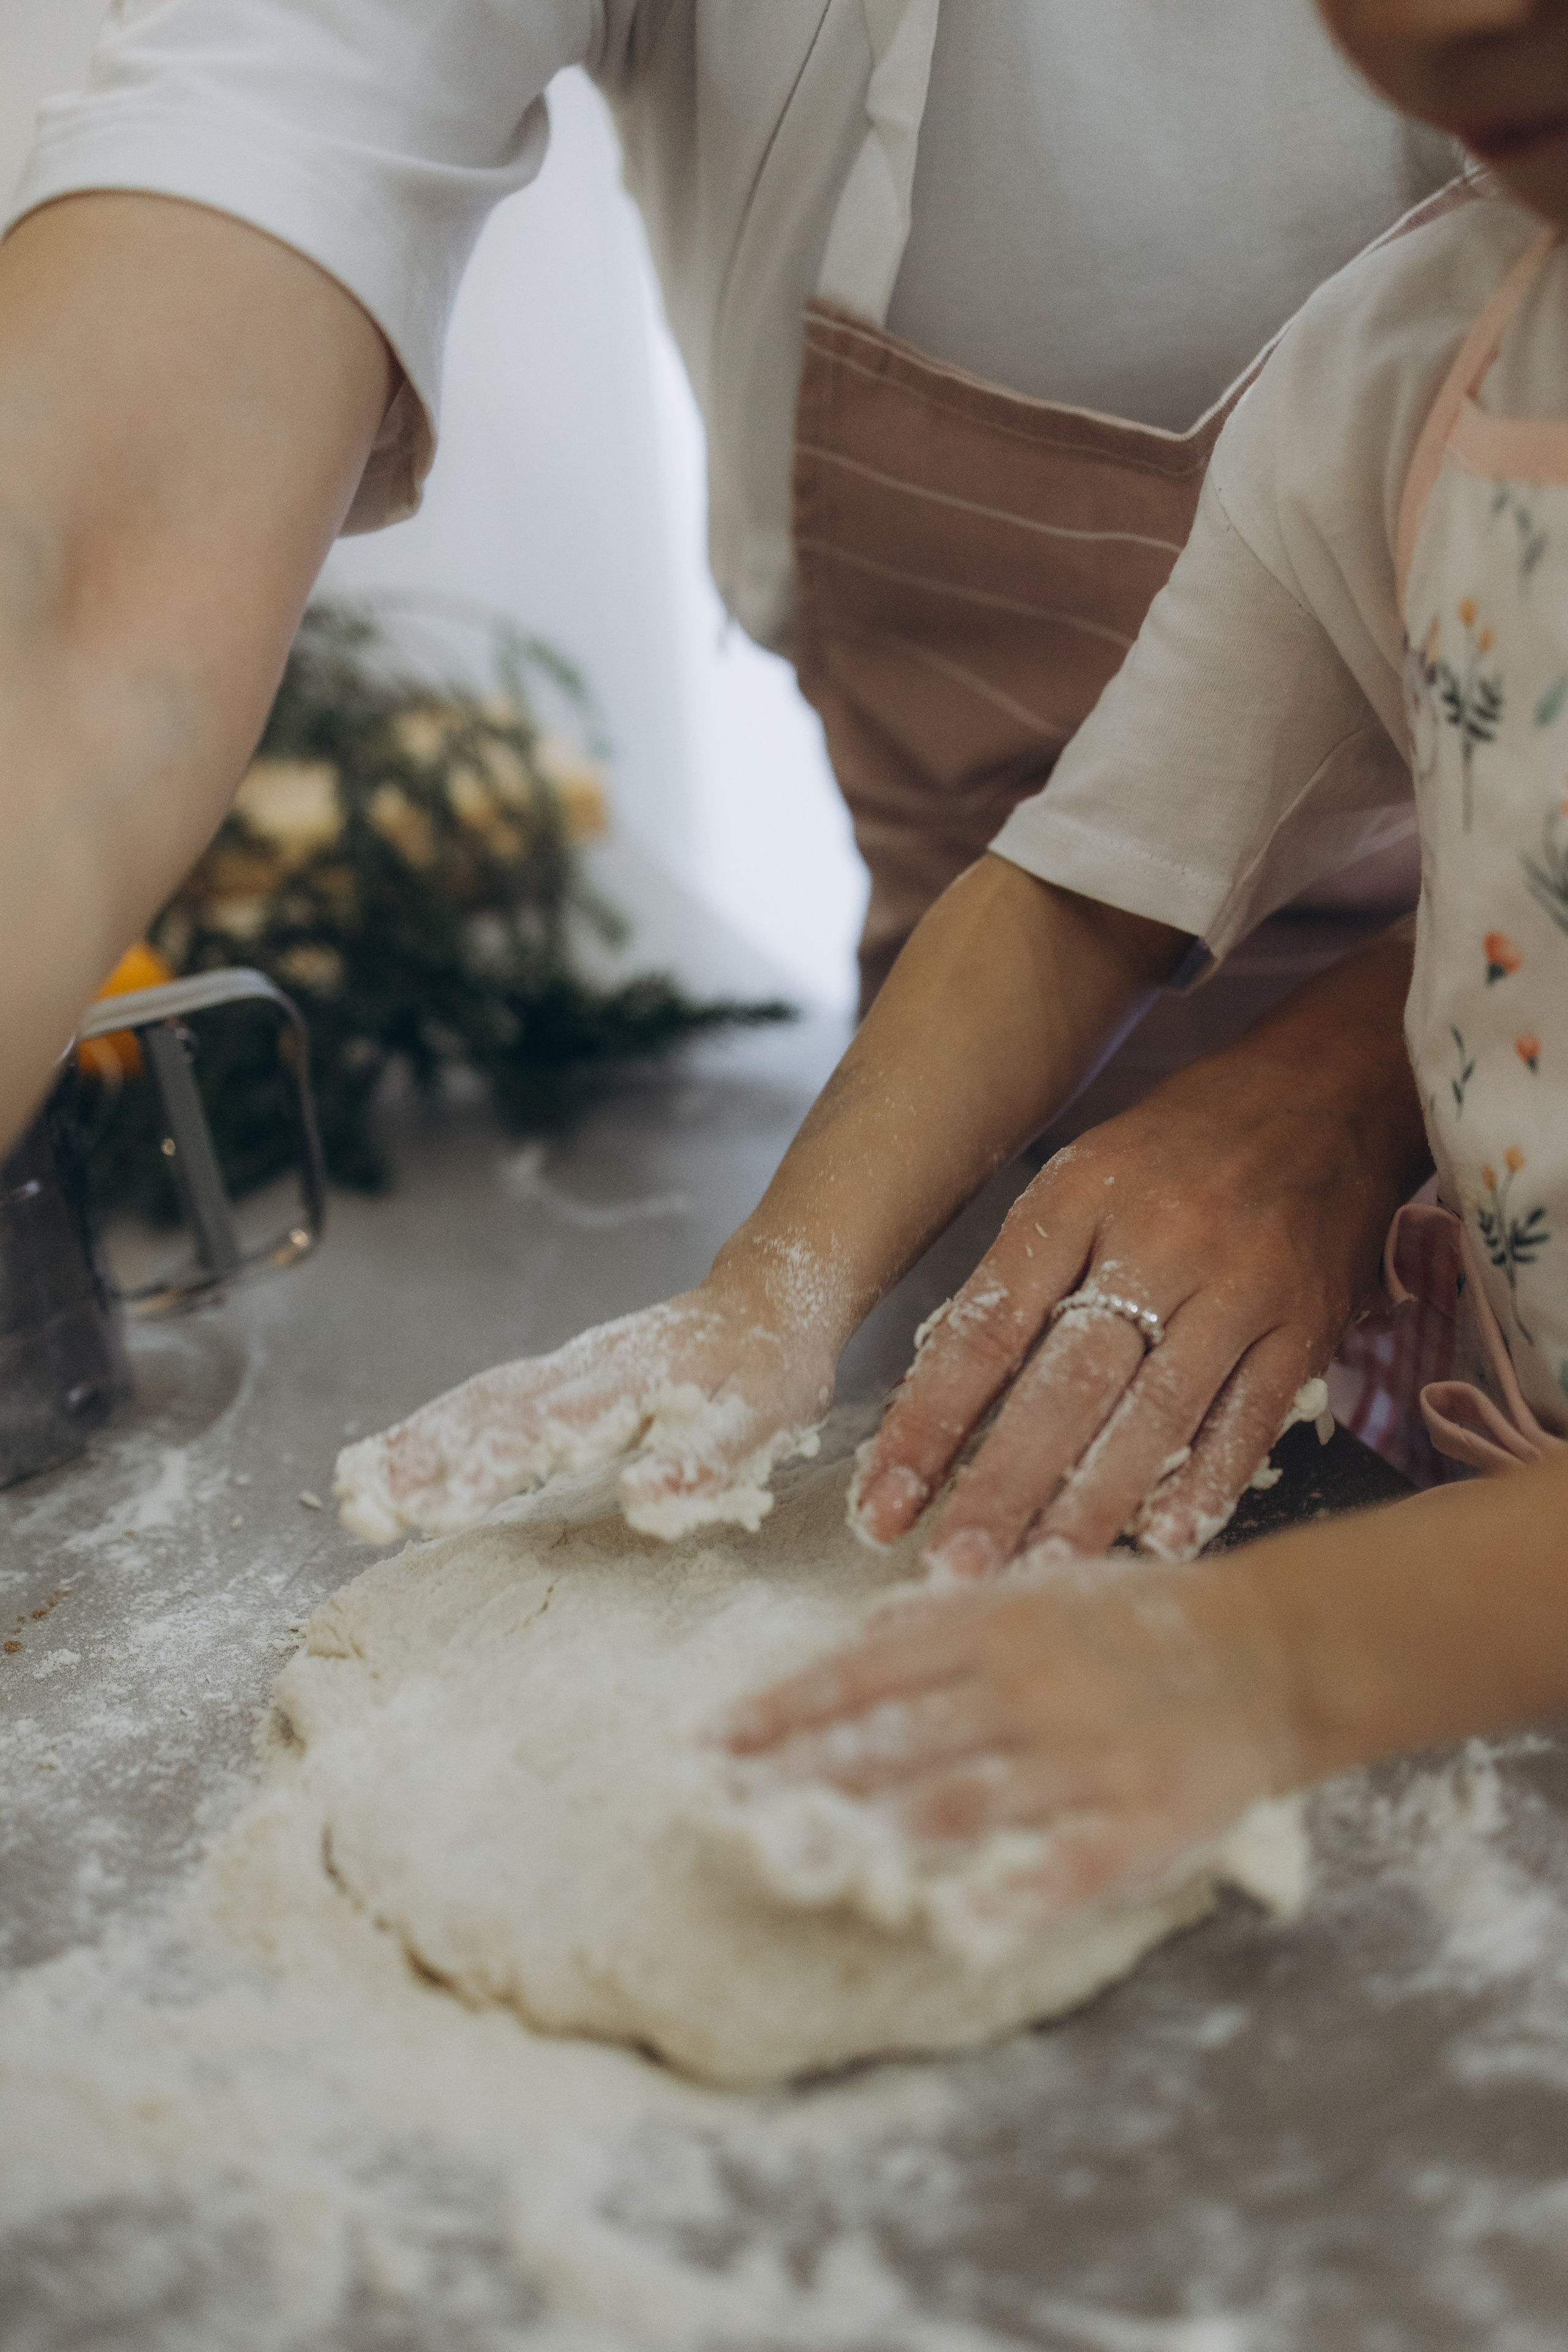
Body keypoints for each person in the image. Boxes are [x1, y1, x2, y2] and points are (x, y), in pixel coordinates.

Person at [1, 1, 1454, 1538]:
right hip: (976, 1134)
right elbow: (1085, 879)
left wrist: (1360, 1093)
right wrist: (775, 1291)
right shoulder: (1353, 400)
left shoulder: (1442, 337)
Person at [711, 0, 1568, 1932]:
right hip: (1480, 1519)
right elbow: (1085, 884)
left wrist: (1265, 1667)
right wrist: (771, 1297)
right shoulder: (1401, 372)